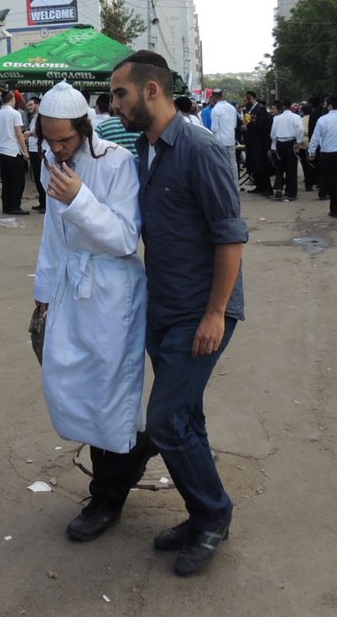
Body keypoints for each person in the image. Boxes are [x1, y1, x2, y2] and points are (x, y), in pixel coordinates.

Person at [99, 50, 247, 577]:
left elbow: (231, 237)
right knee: (186, 418)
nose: (114, 103)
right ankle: (200, 513)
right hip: (162, 308)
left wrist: (215, 314)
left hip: (200, 312)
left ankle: (212, 514)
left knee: (164, 420)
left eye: (120, 93)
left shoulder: (201, 150)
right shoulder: (144, 147)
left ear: (152, 91)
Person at [30, 81, 148, 543]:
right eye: (50, 139)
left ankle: (107, 497)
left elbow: (123, 238)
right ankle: (132, 455)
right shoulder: (50, 164)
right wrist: (42, 292)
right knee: (68, 381)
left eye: (66, 139)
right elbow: (52, 233)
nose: (59, 148)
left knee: (109, 394)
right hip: (68, 286)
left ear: (85, 128)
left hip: (111, 293)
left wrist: (80, 197)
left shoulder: (118, 164)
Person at [0, 89, 29, 215]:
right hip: (13, 151)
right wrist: (25, 152)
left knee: (6, 180)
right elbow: (19, 135)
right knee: (18, 180)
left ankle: (6, 206)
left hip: (2, 150)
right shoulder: (15, 114)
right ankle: (15, 206)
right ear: (12, 99)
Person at [270, 98, 304, 201]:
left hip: (280, 143)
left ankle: (279, 188)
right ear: (291, 107)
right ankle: (291, 193)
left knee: (280, 167)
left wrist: (275, 141)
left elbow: (272, 133)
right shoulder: (296, 117)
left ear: (283, 107)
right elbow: (300, 129)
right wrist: (298, 141)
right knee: (292, 169)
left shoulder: (277, 118)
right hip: (291, 143)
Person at [244, 93, 274, 196]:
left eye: (246, 101)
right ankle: (259, 186)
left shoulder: (260, 109)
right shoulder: (249, 110)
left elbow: (260, 124)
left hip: (259, 142)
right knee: (254, 165)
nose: (244, 103)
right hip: (251, 142)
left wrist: (248, 127)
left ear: (251, 99)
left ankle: (267, 188)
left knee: (261, 165)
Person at [24, 95, 47, 212]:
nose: (29, 107)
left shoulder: (42, 118)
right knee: (37, 178)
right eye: (28, 105)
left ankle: (45, 203)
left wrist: (31, 134)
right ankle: (41, 201)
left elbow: (43, 133)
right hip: (33, 150)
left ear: (38, 105)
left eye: (31, 104)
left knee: (41, 177)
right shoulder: (33, 118)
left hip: (40, 150)